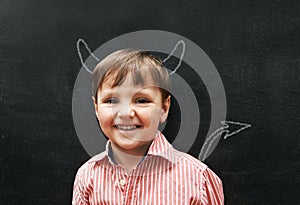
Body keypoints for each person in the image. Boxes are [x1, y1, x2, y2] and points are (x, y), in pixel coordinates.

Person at [72, 49, 224, 205]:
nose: (125, 113)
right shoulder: (87, 176)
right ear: (96, 108)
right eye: (111, 101)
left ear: (164, 109)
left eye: (142, 100)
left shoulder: (198, 179)